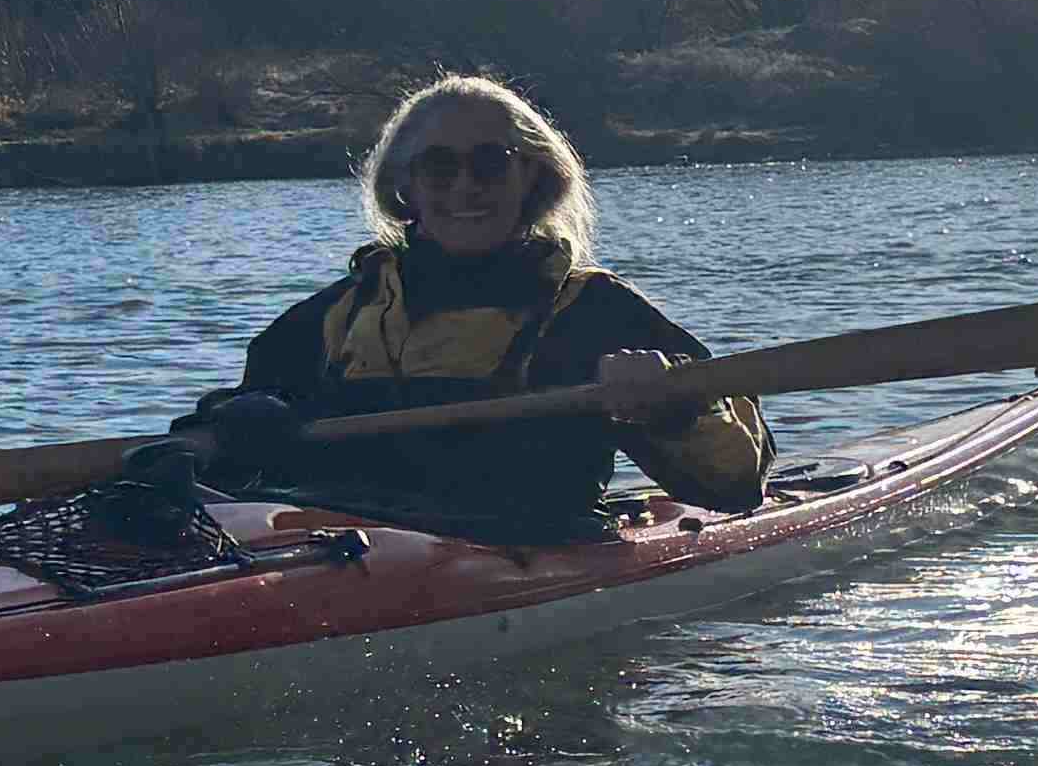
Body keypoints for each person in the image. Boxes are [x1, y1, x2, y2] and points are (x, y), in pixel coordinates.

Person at [174, 74, 770, 544]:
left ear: (531, 177)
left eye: (490, 163)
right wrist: (227, 427)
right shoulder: (330, 318)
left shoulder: (596, 312)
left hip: (522, 546)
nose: (464, 187)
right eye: (439, 166)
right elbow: (229, 445)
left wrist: (671, 410)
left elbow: (737, 484)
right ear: (405, 185)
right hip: (333, 548)